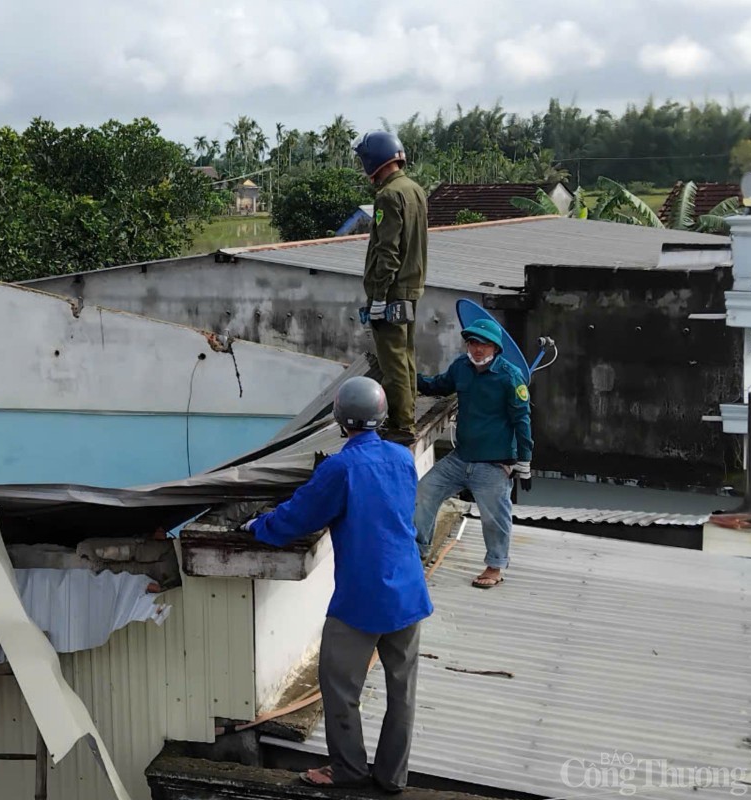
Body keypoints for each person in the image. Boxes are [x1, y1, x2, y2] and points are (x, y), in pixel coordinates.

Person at [241, 376, 433, 793]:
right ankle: (392, 777)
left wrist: (260, 525)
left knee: (339, 686)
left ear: (341, 419)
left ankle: (347, 768)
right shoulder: (402, 457)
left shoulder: (340, 467)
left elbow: (299, 517)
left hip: (362, 598)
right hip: (408, 591)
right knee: (402, 691)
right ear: (380, 416)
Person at [413, 317, 533, 589]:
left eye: (484, 344)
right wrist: (408, 376)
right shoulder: (461, 367)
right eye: (473, 343)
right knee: (424, 491)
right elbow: (438, 385)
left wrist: (524, 460)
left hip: (493, 463)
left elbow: (522, 420)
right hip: (461, 457)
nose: (478, 349)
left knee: (495, 515)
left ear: (496, 348)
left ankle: (495, 567)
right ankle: (416, 555)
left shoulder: (510, 377)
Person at [354, 131, 429, 445]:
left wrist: (379, 297)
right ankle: (407, 415)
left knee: (392, 360)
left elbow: (388, 251)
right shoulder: (415, 190)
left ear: (374, 161)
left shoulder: (388, 196)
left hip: (393, 291)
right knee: (406, 355)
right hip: (412, 288)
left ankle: (401, 425)